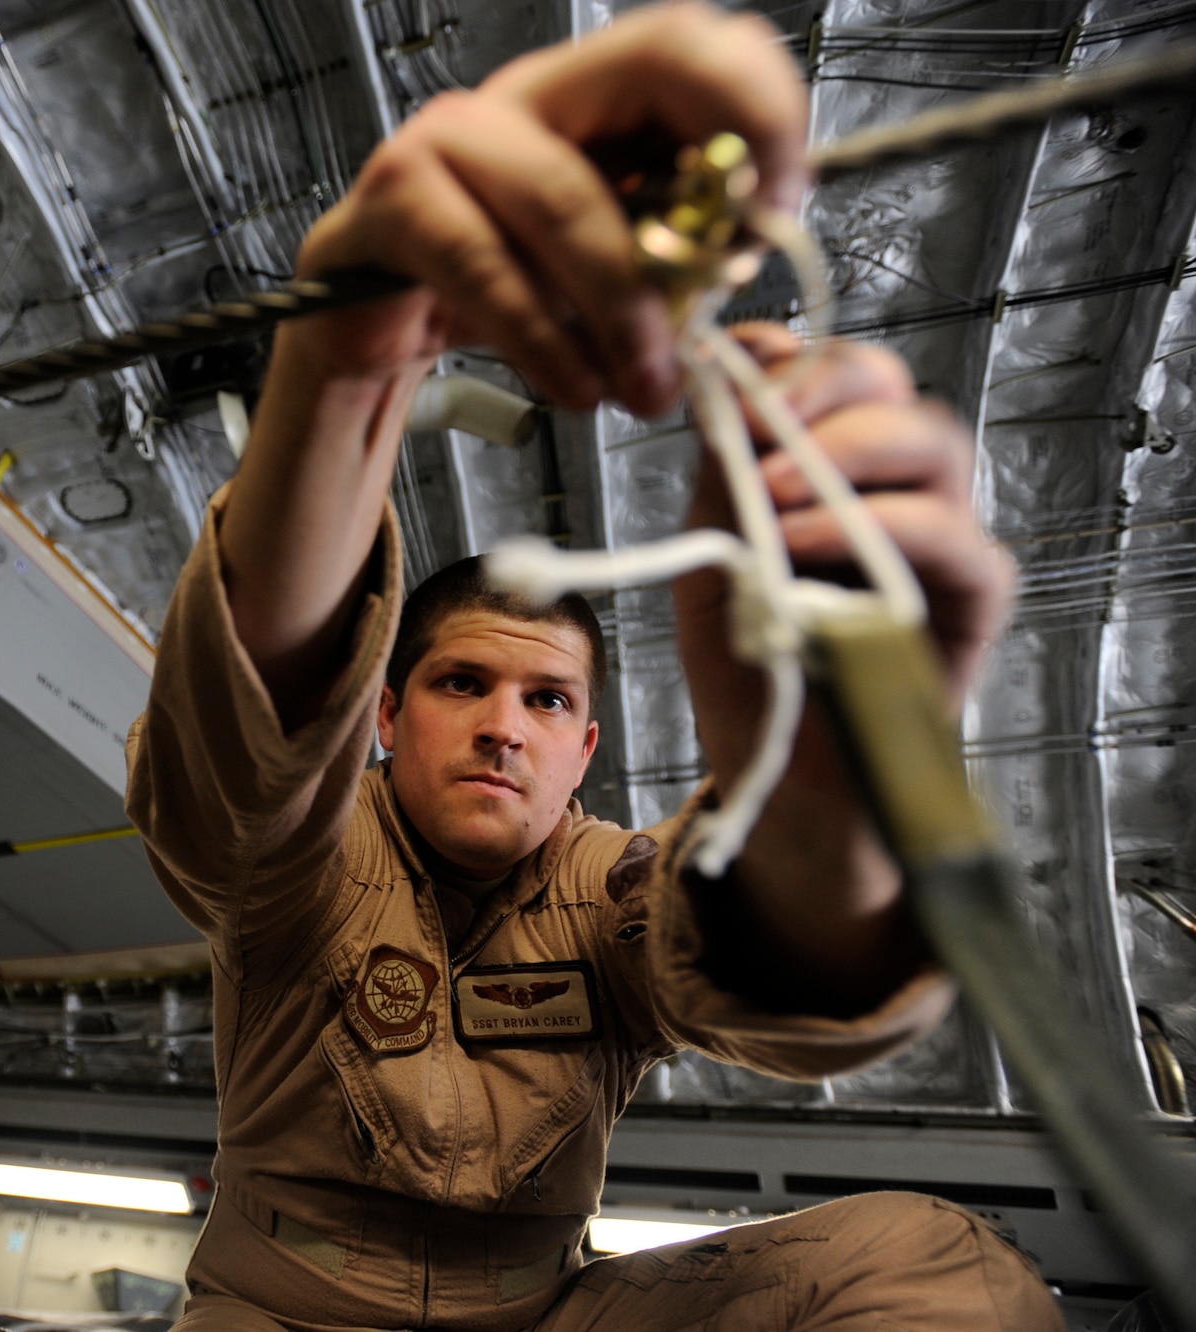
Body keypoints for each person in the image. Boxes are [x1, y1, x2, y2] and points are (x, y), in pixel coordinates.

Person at [123, 4, 1061, 1330]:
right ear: (384, 716)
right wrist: (345, 363)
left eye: (546, 700)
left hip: (543, 1317)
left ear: (586, 750)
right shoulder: (307, 864)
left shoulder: (602, 888)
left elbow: (756, 965)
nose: (504, 726)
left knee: (933, 1261)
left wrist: (812, 784)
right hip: (284, 1311)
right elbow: (243, 758)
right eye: (460, 685)